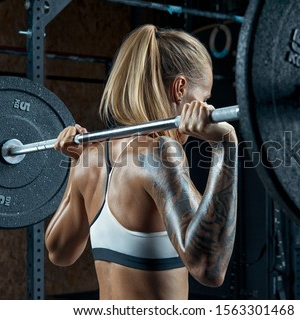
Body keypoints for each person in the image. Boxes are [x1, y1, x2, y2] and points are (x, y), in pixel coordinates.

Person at [45, 24, 238, 300]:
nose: (208, 109)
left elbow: (59, 252)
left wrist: (77, 163)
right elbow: (210, 266)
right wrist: (225, 146)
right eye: (204, 98)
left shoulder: (90, 156)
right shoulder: (160, 153)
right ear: (180, 88)